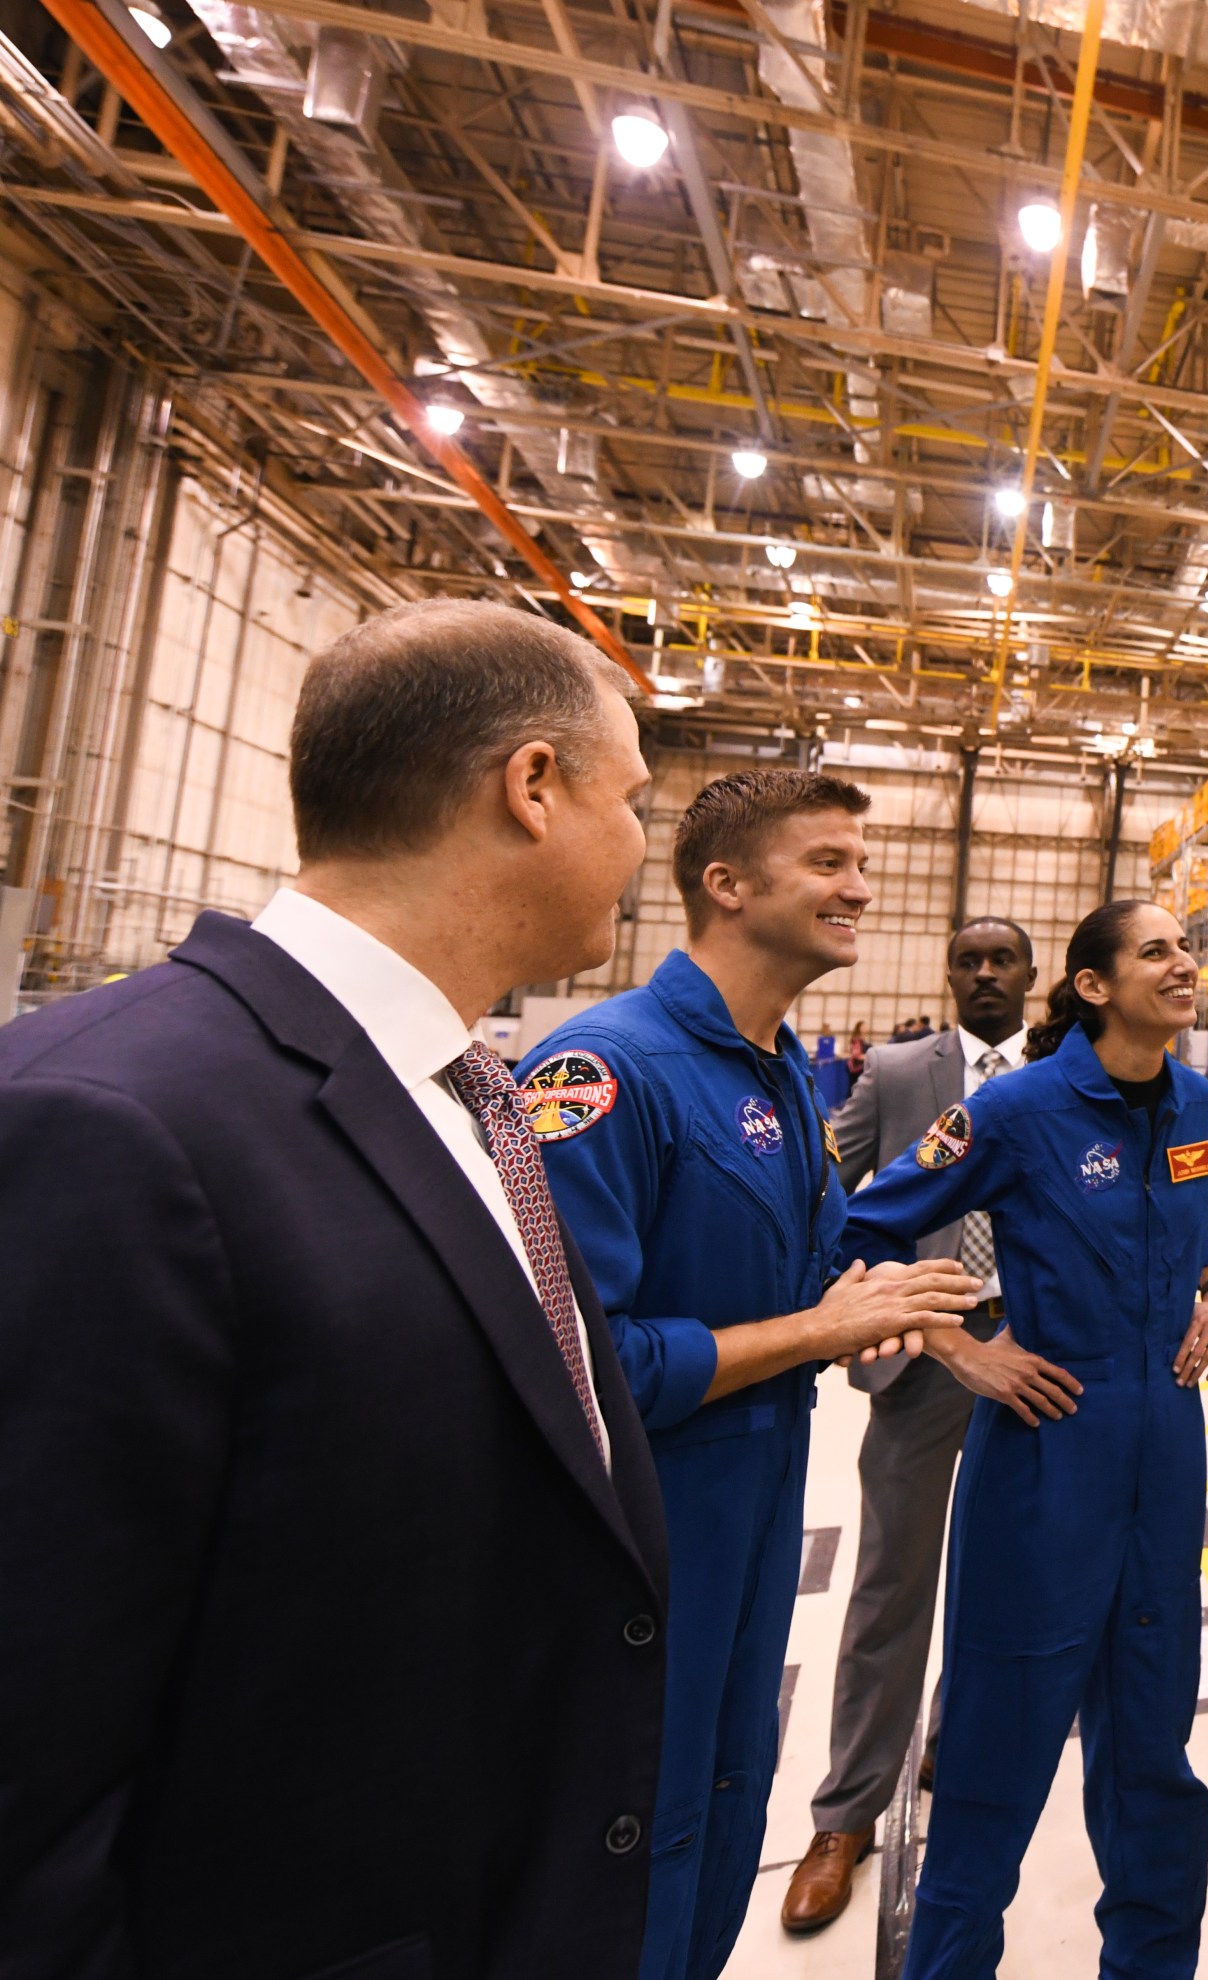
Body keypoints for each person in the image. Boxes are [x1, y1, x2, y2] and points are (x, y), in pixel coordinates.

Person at [0, 601, 671, 1979]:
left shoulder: (468, 1098)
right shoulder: (112, 1118)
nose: (639, 848)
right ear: (532, 789)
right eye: (634, 801)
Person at [519, 770, 982, 1980]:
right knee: (640, 1838)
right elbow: (577, 1363)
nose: (861, 887)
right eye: (828, 862)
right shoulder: (602, 1072)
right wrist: (815, 1334)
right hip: (648, 1533)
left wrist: (885, 1306)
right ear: (727, 885)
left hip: (760, 1500)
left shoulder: (776, 1071)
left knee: (726, 1808)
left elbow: (822, 1259)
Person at [837, 900, 1208, 1980]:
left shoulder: (1195, 1098)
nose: (1183, 963)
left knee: (1153, 1755)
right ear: (1096, 987)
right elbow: (863, 1228)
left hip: (1163, 1462)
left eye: (1183, 948)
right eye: (1155, 950)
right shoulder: (1015, 1110)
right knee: (992, 1756)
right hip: (1046, 1457)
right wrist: (957, 1343)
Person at [782, 916, 1039, 1932]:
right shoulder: (894, 1072)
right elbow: (820, 1189)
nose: (983, 974)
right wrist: (854, 1296)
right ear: (949, 975)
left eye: (1001, 960)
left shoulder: (1067, 1073)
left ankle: (952, 1739)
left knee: (1005, 1576)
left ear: (1030, 975)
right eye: (967, 961)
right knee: (891, 1586)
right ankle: (846, 1812)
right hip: (921, 1363)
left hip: (1034, 1364)